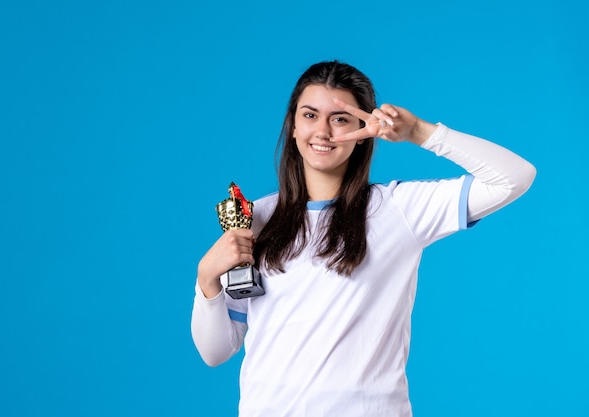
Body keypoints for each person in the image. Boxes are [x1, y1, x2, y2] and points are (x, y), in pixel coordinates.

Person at [190, 60, 536, 417]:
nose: (322, 131)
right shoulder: (255, 218)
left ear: (363, 130)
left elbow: (514, 177)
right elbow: (215, 351)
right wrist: (206, 279)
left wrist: (418, 131)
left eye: (339, 119)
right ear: (293, 126)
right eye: (310, 115)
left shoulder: (399, 209)